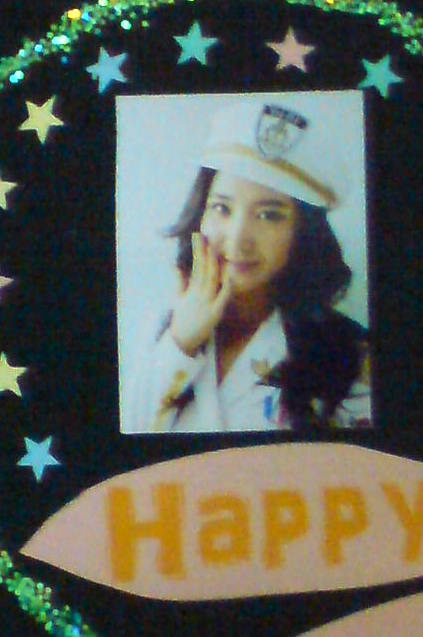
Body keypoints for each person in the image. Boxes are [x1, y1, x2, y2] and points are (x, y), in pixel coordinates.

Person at [127, 101, 371, 432]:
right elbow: (128, 440)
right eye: (222, 208)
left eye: (269, 215)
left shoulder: (349, 353)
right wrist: (181, 342)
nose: (239, 238)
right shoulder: (163, 327)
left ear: (303, 232)